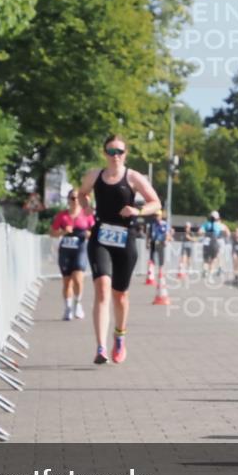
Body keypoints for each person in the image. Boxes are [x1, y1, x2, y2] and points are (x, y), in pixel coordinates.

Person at [79, 136, 161, 365]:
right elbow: (82, 193)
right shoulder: (94, 175)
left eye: (120, 151)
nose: (115, 155)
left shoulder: (134, 177)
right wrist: (86, 208)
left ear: (126, 153)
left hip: (125, 238)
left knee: (120, 295)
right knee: (103, 289)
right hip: (101, 236)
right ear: (104, 152)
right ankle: (101, 347)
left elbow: (156, 202)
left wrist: (138, 211)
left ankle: (120, 336)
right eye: (111, 151)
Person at [50, 189, 94, 320]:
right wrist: (63, 232)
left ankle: (78, 304)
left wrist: (89, 234)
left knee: (78, 279)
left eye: (77, 198)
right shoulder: (62, 216)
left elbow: (95, 232)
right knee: (67, 281)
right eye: (72, 198)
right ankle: (68, 308)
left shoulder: (87, 215)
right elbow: (52, 232)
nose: (75, 201)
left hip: (80, 249)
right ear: (68, 200)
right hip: (65, 250)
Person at [199, 211, 228, 279]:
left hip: (206, 241)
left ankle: (205, 270)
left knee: (206, 258)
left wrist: (205, 233)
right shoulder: (220, 225)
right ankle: (211, 273)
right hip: (215, 242)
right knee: (214, 258)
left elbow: (200, 232)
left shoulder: (206, 224)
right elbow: (227, 233)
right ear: (217, 218)